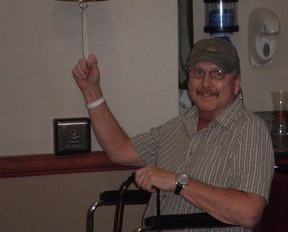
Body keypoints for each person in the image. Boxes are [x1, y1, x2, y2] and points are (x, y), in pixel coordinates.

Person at [72, 38, 275, 231]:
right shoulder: (180, 124)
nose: (206, 83)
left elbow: (249, 212)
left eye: (217, 74)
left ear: (236, 83)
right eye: (198, 72)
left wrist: (178, 182)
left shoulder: (249, 129)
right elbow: (120, 151)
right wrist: (92, 91)